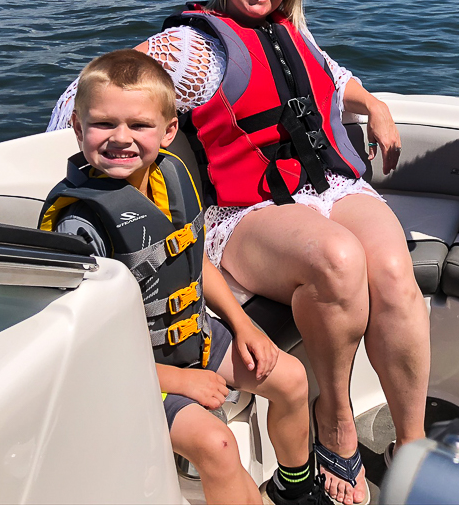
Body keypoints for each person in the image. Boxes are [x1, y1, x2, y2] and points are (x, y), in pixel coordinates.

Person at [48, 0, 430, 505]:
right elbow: (91, 89)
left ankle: (412, 443)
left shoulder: (291, 32)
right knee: (337, 258)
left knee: (396, 274)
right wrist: (87, 157)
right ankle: (337, 427)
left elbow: (334, 79)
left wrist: (374, 104)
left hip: (324, 183)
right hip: (244, 209)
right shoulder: (190, 47)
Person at [41, 49, 326, 505]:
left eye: (139, 125)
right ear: (76, 127)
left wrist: (243, 324)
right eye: (102, 124)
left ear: (169, 131)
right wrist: (177, 381)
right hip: (129, 371)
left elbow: (194, 265)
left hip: (195, 336)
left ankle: (293, 489)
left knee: (291, 379)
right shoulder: (82, 225)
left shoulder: (170, 176)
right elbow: (82, 349)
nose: (121, 139)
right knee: (216, 445)